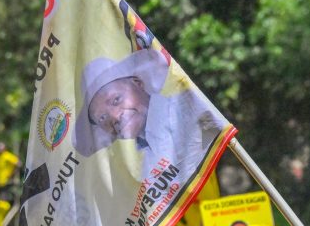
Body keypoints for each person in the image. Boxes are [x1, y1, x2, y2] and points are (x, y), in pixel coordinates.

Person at [73, 49, 226, 185]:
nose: (114, 116)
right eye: (102, 118)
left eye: (116, 100)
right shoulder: (144, 168)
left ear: (137, 83)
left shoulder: (189, 107)